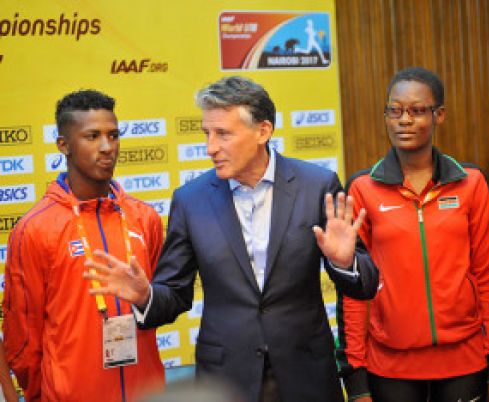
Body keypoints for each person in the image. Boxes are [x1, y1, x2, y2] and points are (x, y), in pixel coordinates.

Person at [83, 76, 379, 402]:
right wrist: (144, 296)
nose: (211, 147)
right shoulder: (191, 200)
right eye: (207, 134)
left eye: (223, 134)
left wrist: (344, 262)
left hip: (306, 372)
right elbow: (174, 294)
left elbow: (364, 285)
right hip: (226, 379)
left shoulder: (317, 186)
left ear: (263, 131)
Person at [336, 67, 489, 402]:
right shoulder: (362, 189)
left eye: (416, 111)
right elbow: (356, 294)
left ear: (438, 115)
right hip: (390, 366)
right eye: (395, 111)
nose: (404, 120)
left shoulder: (471, 183)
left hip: (465, 360)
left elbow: (488, 277)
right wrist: (355, 379)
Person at [2, 90, 165, 402]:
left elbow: (159, 301)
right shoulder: (34, 229)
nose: (107, 148)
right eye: (92, 136)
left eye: (113, 135)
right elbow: (22, 335)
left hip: (145, 391)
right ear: (64, 145)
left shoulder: (145, 218)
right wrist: (47, 392)